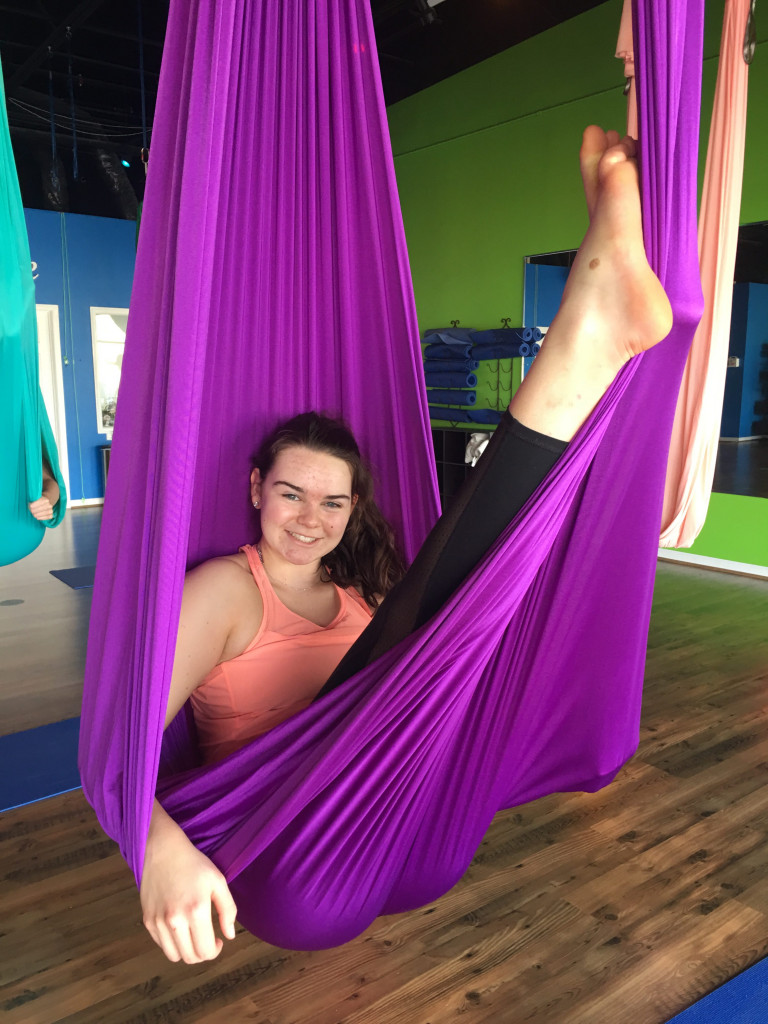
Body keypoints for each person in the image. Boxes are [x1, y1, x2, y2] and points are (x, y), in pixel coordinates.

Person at [140, 126, 673, 964]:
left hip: (408, 832)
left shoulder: (361, 595)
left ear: (355, 510)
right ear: (254, 489)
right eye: (289, 493)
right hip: (286, 852)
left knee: (478, 611)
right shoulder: (225, 592)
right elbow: (126, 745)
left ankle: (609, 351)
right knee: (455, 592)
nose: (310, 518)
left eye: (332, 500)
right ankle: (591, 336)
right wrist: (157, 849)